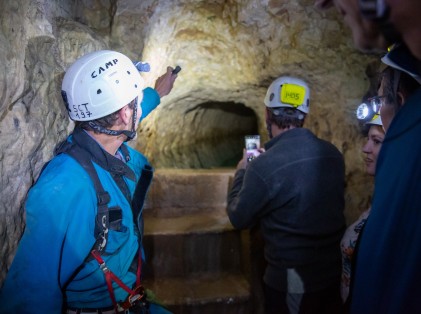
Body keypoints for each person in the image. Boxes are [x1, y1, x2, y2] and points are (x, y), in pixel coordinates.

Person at [0, 50, 178, 314]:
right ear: (124, 115)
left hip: (130, 301)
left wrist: (157, 92)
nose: (139, 106)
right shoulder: (64, 187)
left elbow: (130, 111)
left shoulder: (106, 144)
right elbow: (30, 297)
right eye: (135, 101)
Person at [227, 76, 346, 314]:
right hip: (333, 276)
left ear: (267, 114)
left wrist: (242, 172)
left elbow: (238, 217)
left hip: (290, 285)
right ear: (304, 116)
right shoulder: (333, 155)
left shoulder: (263, 166)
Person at [340, 101, 385, 307]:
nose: (365, 148)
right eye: (367, 139)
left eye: (376, 141)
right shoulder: (381, 196)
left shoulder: (399, 207)